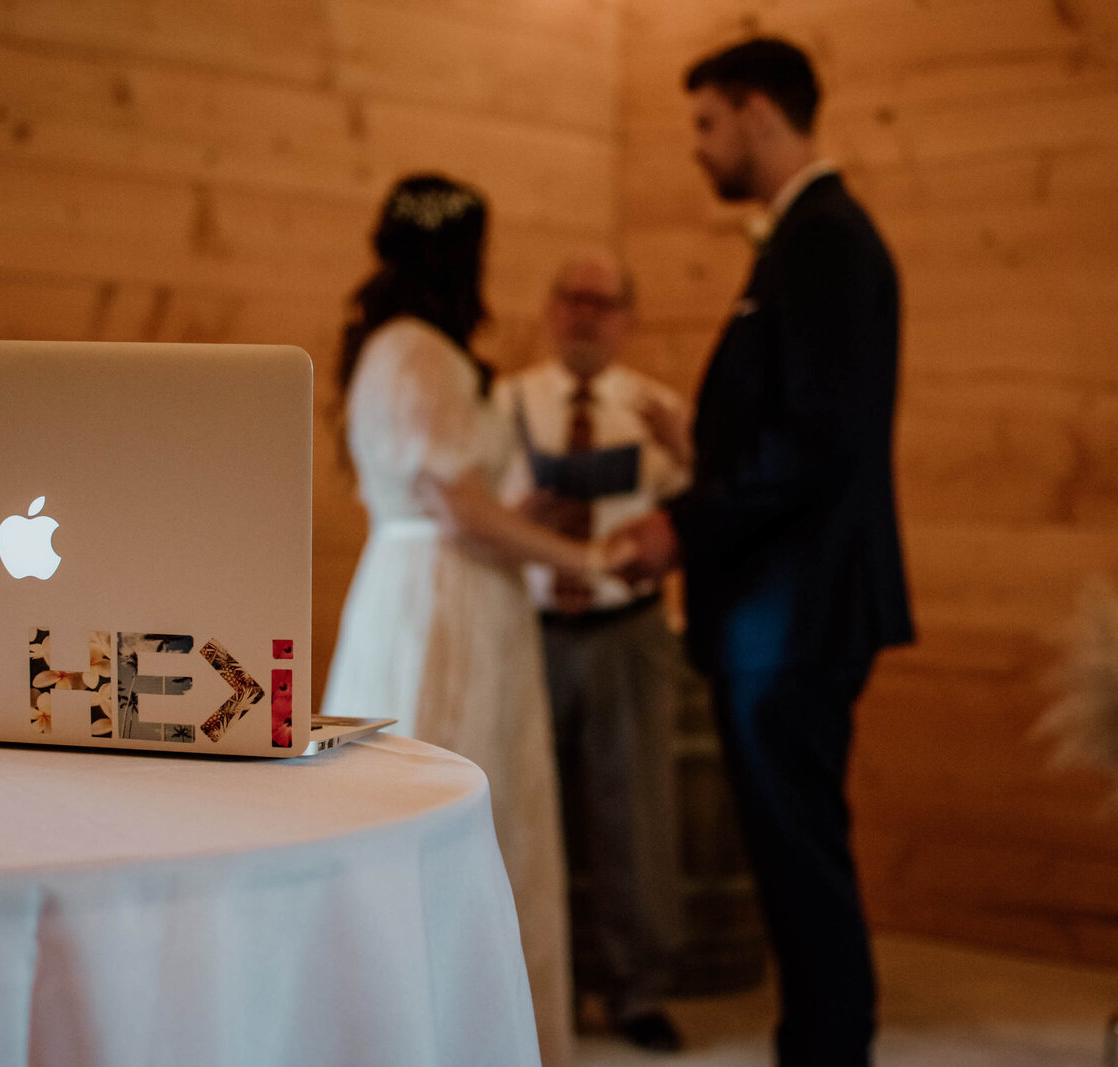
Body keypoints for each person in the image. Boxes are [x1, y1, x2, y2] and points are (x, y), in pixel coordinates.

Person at [612, 38, 915, 1067]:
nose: (697, 149)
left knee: (799, 861)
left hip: (794, 611)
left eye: (704, 122)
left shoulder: (822, 238)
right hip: (781, 603)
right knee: (790, 859)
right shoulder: (798, 240)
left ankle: (827, 1050)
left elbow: (814, 441)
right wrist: (702, 454)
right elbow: (797, 428)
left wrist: (679, 525)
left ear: (753, 110)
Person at [321, 174, 626, 1067]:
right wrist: (586, 560)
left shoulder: (407, 346)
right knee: (446, 800)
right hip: (441, 600)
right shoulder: (415, 349)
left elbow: (462, 493)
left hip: (448, 585)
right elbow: (455, 506)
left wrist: (521, 509)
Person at [492, 252, 691, 1053]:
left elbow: (702, 513)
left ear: (627, 319)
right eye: (571, 297)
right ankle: (534, 978)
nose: (584, 313)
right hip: (527, 624)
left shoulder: (658, 410)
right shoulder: (504, 402)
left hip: (625, 626)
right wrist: (524, 511)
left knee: (633, 811)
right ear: (549, 308)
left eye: (602, 302)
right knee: (523, 808)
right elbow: (470, 507)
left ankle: (636, 987)